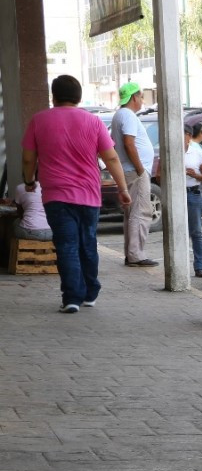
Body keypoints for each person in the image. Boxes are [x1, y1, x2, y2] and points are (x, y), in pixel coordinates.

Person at [22, 75, 130, 313]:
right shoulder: (93, 121)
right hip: (89, 195)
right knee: (88, 243)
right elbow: (110, 157)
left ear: (54, 96)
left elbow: (29, 157)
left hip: (56, 196)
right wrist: (122, 188)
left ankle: (71, 298)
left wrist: (29, 181)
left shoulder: (39, 120)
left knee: (66, 245)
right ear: (79, 97)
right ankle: (90, 293)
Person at [111, 82, 157, 267]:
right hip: (134, 171)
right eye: (140, 96)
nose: (141, 100)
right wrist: (140, 169)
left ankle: (131, 253)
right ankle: (136, 255)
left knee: (132, 213)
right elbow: (129, 143)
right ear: (134, 97)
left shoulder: (120, 115)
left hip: (128, 170)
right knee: (140, 213)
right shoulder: (128, 115)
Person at [184, 123, 202, 277]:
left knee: (196, 231)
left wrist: (195, 175)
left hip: (193, 193)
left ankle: (199, 266)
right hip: (177, 194)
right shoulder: (170, 152)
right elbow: (159, 175)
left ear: (188, 135)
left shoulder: (197, 153)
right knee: (177, 230)